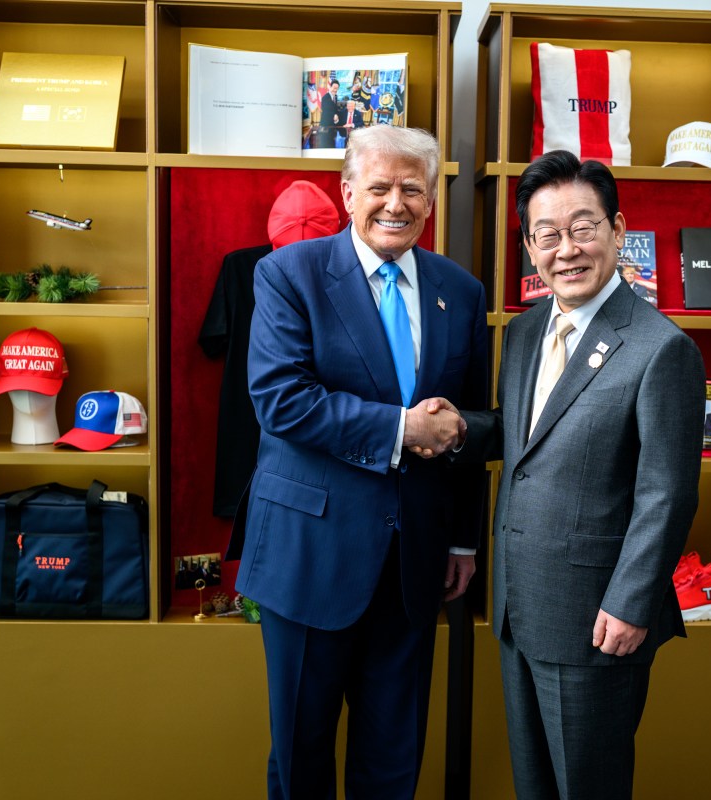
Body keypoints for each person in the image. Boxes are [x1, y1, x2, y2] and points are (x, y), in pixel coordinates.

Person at [424, 150, 704, 799]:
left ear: (617, 229)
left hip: (597, 620)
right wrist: (462, 429)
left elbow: (668, 493)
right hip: (521, 608)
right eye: (546, 234)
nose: (566, 248)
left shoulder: (661, 348)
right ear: (529, 244)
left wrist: (630, 602)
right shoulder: (524, 334)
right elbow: (527, 436)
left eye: (583, 227)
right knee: (536, 787)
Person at [235, 124, 488, 800]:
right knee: (302, 753)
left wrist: (463, 537)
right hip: (309, 556)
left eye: (412, 189)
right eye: (379, 187)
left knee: (392, 757)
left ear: (432, 200)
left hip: (414, 563)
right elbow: (281, 401)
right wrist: (403, 429)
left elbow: (474, 420)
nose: (395, 204)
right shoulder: (288, 274)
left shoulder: (460, 292)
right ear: (348, 193)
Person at [316, 79, 341, 148]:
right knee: (325, 145)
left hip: (332, 126)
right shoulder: (325, 97)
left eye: (337, 88)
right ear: (330, 87)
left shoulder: (335, 97)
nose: (335, 90)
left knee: (332, 144)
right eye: (334, 88)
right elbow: (326, 111)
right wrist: (334, 116)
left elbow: (335, 109)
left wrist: (337, 116)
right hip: (325, 125)